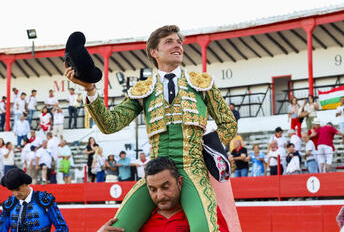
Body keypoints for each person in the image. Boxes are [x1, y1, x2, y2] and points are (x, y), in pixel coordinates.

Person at [65, 25, 237, 232]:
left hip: (194, 170)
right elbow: (110, 124)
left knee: (204, 230)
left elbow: (228, 124)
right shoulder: (143, 90)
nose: (178, 46)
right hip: (155, 174)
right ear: (154, 52)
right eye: (170, 42)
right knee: (115, 229)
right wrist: (90, 89)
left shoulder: (201, 83)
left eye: (179, 42)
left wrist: (207, 150)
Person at [98, 157, 229, 232]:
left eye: (165, 187)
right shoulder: (141, 218)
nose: (160, 196)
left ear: (179, 182)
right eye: (153, 189)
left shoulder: (203, 211)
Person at [0, 168, 68, 231]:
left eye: (18, 189)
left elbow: (62, 228)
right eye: (12, 191)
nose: (15, 194)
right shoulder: (9, 204)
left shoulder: (45, 200)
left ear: (26, 184)